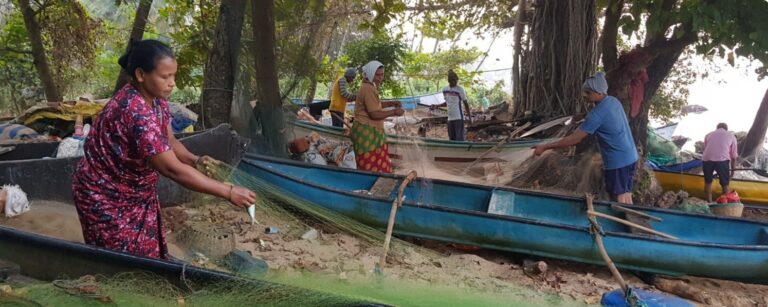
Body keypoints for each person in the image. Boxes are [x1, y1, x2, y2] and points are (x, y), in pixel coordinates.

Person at [72, 40, 257, 260]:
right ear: (141, 74)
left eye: (173, 76)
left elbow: (168, 140)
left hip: (135, 194)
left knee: (147, 257)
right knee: (123, 265)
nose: (172, 83)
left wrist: (195, 160)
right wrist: (228, 192)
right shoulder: (135, 111)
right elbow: (172, 169)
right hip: (105, 197)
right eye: (165, 77)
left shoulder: (156, 100)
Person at [533, 72, 638, 204]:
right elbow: (605, 117)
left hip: (618, 162)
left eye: (588, 93)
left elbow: (574, 139)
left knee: (619, 199)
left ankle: (619, 222)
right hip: (631, 157)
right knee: (626, 195)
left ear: (599, 92)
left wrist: (545, 147)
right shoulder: (613, 101)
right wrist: (584, 117)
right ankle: (628, 218)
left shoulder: (596, 115)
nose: (585, 96)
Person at [351, 60, 403, 173]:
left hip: (369, 130)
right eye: (377, 75)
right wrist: (394, 112)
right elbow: (374, 114)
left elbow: (375, 104)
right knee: (371, 164)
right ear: (370, 74)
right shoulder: (368, 88)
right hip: (367, 132)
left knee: (374, 163)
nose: (380, 78)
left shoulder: (369, 86)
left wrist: (390, 103)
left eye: (382, 74)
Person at [702, 123, 738, 202]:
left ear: (717, 128)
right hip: (722, 160)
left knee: (708, 182)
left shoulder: (708, 135)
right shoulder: (731, 136)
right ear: (726, 129)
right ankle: (725, 205)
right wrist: (732, 174)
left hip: (706, 159)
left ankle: (709, 202)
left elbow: (707, 149)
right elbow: (734, 157)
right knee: (725, 184)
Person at [432, 70, 472, 141]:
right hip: (450, 119)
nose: (456, 82)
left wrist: (469, 117)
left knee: (459, 140)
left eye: (457, 81)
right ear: (449, 81)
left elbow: (466, 103)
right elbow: (447, 102)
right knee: (452, 140)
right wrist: (437, 106)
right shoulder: (445, 90)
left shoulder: (460, 89)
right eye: (454, 81)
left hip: (459, 118)